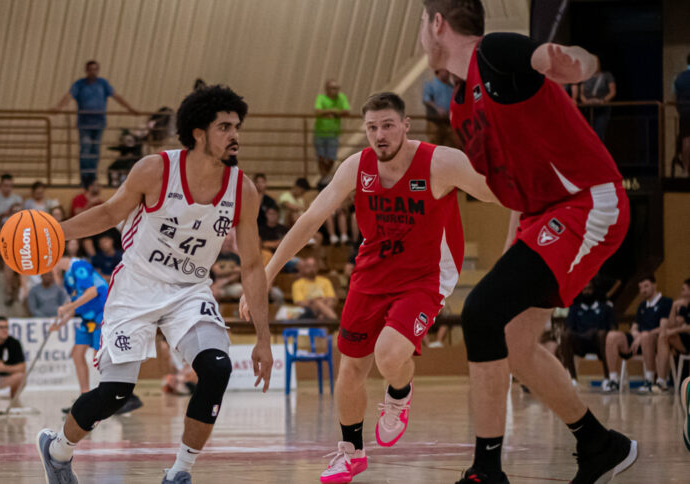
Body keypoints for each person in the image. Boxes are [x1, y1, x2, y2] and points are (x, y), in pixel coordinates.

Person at [419, 1, 635, 482]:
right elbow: (518, 187)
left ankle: (487, 470)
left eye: (421, 23)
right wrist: (508, 258)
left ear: (438, 23)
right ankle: (600, 445)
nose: (420, 34)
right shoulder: (460, 106)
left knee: (479, 313)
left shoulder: (493, 53)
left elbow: (559, 60)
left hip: (588, 202)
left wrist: (577, 62)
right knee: (515, 344)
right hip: (545, 216)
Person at [241, 91, 498, 483]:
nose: (380, 135)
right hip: (371, 274)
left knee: (389, 355)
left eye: (388, 125)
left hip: (425, 275)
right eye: (372, 127)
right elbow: (310, 219)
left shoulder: (440, 162)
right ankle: (351, 453)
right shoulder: (355, 167)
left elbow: (494, 191)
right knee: (350, 370)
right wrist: (266, 274)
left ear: (406, 125)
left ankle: (398, 395)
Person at [35, 85, 273, 484]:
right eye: (225, 127)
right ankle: (57, 449)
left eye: (237, 127)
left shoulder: (242, 190)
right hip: (137, 287)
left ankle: (180, 471)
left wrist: (263, 337)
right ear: (198, 133)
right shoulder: (155, 169)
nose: (235, 136)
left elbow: (251, 265)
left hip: (190, 290)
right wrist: (57, 232)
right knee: (115, 392)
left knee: (216, 370)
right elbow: (110, 212)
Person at [52, 60, 139, 186]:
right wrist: (58, 108)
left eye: (94, 69)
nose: (92, 72)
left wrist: (130, 109)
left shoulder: (102, 83)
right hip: (85, 123)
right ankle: (85, 177)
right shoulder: (80, 84)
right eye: (90, 69)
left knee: (95, 151)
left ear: (97, 70)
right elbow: (69, 96)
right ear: (86, 71)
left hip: (99, 123)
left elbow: (116, 96)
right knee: (85, 149)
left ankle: (92, 176)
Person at [604, 275, 672, 393]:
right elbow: (634, 328)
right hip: (638, 341)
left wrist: (642, 336)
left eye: (646, 286)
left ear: (654, 285)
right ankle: (613, 380)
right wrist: (637, 335)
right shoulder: (642, 305)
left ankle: (649, 380)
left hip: (654, 341)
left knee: (646, 336)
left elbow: (663, 328)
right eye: (640, 288)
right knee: (612, 336)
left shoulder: (666, 302)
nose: (643, 290)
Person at [51, 257, 109, 396]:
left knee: (99, 357)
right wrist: (59, 324)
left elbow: (92, 291)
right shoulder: (67, 277)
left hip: (100, 315)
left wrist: (70, 306)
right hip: (86, 318)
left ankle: (110, 394)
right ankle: (84, 395)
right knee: (77, 354)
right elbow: (74, 301)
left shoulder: (79, 266)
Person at [559, 282, 615, 386]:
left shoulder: (606, 308)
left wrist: (595, 332)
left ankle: (608, 379)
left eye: (589, 289)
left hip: (600, 344)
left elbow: (612, 329)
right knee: (565, 336)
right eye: (584, 289)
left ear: (594, 290)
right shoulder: (574, 309)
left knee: (602, 334)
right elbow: (569, 328)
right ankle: (573, 378)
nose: (587, 292)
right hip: (580, 343)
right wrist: (584, 334)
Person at [655, 278, 690, 389]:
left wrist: (675, 330)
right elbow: (673, 325)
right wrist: (673, 306)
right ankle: (661, 380)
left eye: (684, 290)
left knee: (667, 334)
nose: (681, 293)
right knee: (663, 336)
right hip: (685, 341)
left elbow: (678, 329)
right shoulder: (685, 307)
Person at [0, 174, 22, 273]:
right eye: (6, 185)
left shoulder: (17, 199)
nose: (8, 188)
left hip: (14, 225)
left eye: (10, 186)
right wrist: (4, 214)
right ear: (0, 185)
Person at [314, 79, 351, 176]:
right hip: (320, 132)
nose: (336, 90)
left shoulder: (341, 97)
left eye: (337, 88)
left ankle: (326, 175)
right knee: (321, 157)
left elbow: (347, 112)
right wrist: (331, 111)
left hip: (333, 133)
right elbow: (317, 111)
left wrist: (333, 112)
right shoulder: (321, 98)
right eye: (333, 88)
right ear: (327, 89)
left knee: (331, 158)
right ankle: (324, 177)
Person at [579, 57, 616, 142]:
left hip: (602, 108)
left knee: (599, 133)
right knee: (585, 133)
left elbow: (612, 92)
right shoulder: (585, 76)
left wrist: (603, 101)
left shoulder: (606, 75)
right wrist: (585, 102)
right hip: (587, 109)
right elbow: (581, 93)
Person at [423, 68, 456, 147]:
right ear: (439, 71)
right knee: (434, 144)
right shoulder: (431, 84)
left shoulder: (451, 86)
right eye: (446, 71)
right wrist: (437, 108)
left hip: (448, 122)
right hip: (435, 121)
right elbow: (426, 99)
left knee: (449, 145)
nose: (448, 73)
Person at [673, 54, 690, 177]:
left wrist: (680, 109)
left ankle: (685, 170)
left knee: (686, 140)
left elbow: (674, 98)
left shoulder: (679, 78)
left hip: (684, 112)